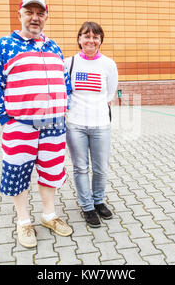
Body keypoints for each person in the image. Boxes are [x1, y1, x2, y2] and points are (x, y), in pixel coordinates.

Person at [0, 0, 73, 248]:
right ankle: (23, 222)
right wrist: (4, 118)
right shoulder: (5, 45)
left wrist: (63, 108)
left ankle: (48, 216)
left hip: (54, 125)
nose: (35, 17)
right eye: (29, 12)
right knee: (17, 173)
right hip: (20, 124)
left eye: (40, 13)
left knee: (51, 171)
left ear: (46, 17)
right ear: (20, 14)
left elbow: (64, 82)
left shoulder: (53, 46)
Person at [65, 21, 118, 228]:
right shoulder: (68, 63)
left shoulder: (108, 64)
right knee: (80, 167)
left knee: (101, 168)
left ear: (100, 41)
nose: (91, 40)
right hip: (75, 125)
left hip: (101, 125)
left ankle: (98, 201)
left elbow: (110, 92)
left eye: (95, 37)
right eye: (86, 36)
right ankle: (87, 207)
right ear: (79, 39)